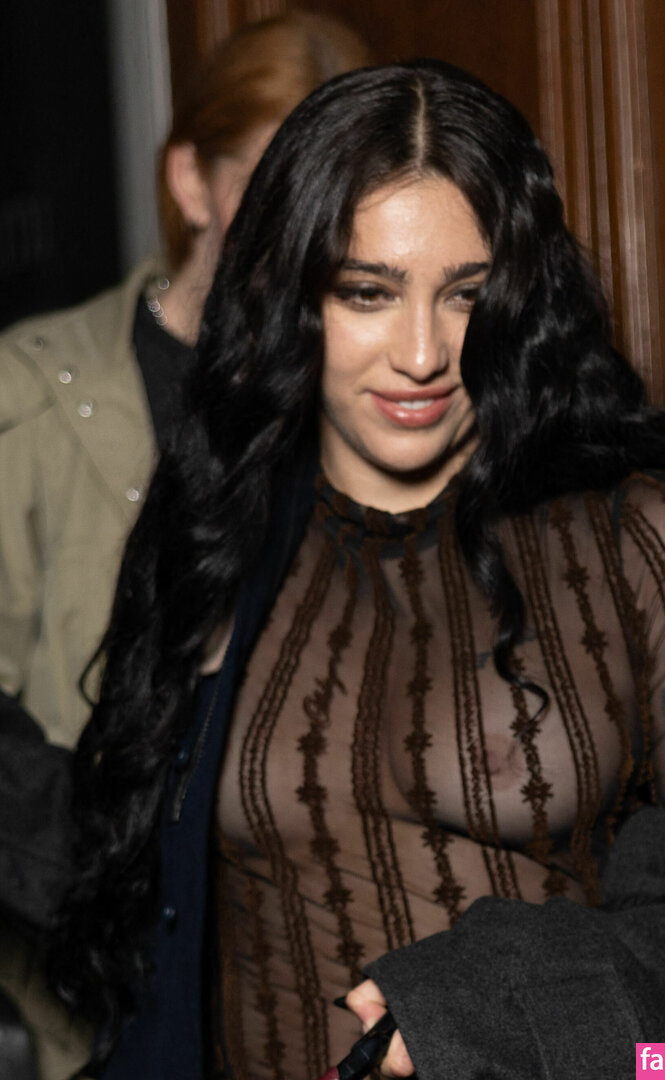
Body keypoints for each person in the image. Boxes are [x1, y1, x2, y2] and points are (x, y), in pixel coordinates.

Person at [51, 60, 665, 1080]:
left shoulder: (649, 540)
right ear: (288, 295)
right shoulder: (220, 536)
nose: (421, 353)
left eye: (467, 295)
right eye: (367, 292)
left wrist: (496, 1010)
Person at [0, 13, 370, 1080]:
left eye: (336, 201)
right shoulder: (35, 393)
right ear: (191, 183)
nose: (302, 234)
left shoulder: (377, 399)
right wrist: (117, 882)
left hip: (321, 982)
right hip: (103, 986)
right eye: (269, 188)